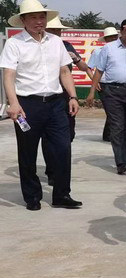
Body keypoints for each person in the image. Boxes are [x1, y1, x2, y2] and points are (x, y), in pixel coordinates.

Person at [0, 0, 82, 210]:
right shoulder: (15, 44)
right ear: (23, 20)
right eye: (34, 17)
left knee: (63, 149)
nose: (39, 21)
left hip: (56, 104)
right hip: (28, 106)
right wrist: (13, 104)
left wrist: (73, 97)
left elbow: (64, 71)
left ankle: (62, 195)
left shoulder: (55, 42)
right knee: (28, 152)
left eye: (42, 17)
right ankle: (32, 196)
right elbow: (8, 75)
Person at [42, 16, 92, 186]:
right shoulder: (40, 47)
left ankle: (59, 166)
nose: (57, 33)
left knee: (68, 134)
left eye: (59, 30)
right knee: (49, 136)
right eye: (53, 30)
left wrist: (76, 59)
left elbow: (82, 67)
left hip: (66, 95)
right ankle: (52, 171)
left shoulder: (66, 46)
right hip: (48, 96)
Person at [92, 19, 126, 174]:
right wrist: (92, 91)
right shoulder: (109, 48)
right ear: (121, 31)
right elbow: (99, 70)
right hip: (112, 91)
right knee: (117, 125)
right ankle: (121, 162)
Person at [87, 27, 119, 141]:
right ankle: (113, 136)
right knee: (112, 111)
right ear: (105, 39)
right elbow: (89, 68)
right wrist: (94, 82)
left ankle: (109, 135)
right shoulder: (98, 51)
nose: (113, 39)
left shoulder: (122, 51)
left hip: (119, 85)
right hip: (104, 85)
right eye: (110, 37)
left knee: (116, 112)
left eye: (114, 37)